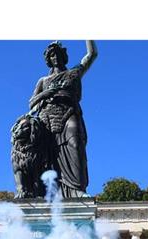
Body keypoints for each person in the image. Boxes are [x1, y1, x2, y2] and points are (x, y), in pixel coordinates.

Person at [29, 41, 98, 198]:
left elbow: (92, 55)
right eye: (52, 55)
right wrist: (46, 94)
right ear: (48, 58)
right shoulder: (43, 81)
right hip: (47, 117)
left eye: (58, 54)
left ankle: (77, 189)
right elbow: (31, 103)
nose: (55, 57)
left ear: (64, 56)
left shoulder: (73, 73)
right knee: (49, 154)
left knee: (75, 145)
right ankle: (50, 193)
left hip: (69, 112)